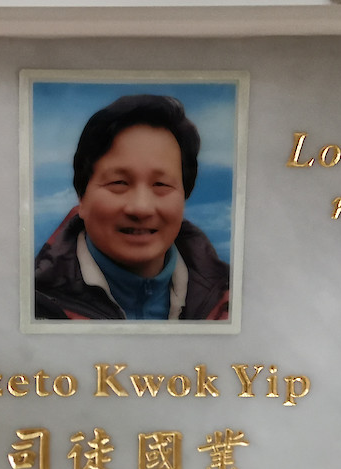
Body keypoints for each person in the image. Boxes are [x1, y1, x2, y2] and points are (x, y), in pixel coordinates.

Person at [34, 94, 230, 321]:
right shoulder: (30, 304)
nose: (141, 208)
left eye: (161, 184)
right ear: (82, 198)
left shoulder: (232, 299)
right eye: (119, 183)